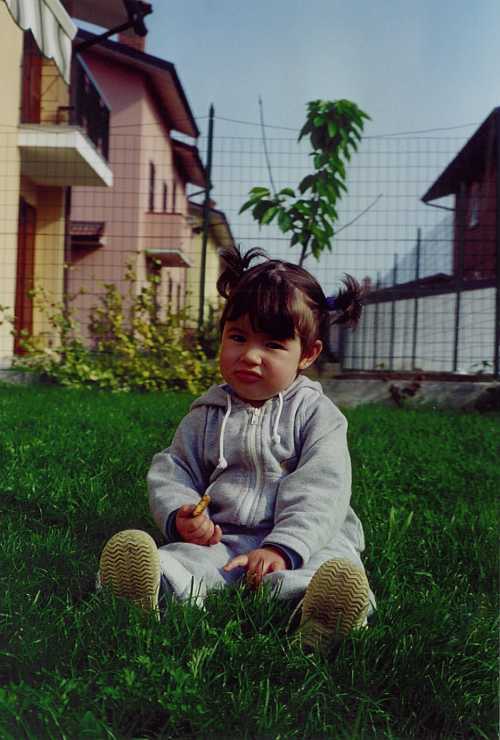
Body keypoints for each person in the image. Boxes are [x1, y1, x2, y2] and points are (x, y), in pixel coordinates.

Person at [98, 246, 375, 653]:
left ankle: (320, 613)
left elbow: (324, 489)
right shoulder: (207, 414)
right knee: (189, 563)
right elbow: (174, 468)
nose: (249, 355)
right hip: (225, 537)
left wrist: (283, 548)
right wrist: (182, 514)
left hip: (308, 538)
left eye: (273, 345)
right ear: (222, 334)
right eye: (238, 337)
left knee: (326, 568)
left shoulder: (319, 416)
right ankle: (149, 588)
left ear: (307, 355)